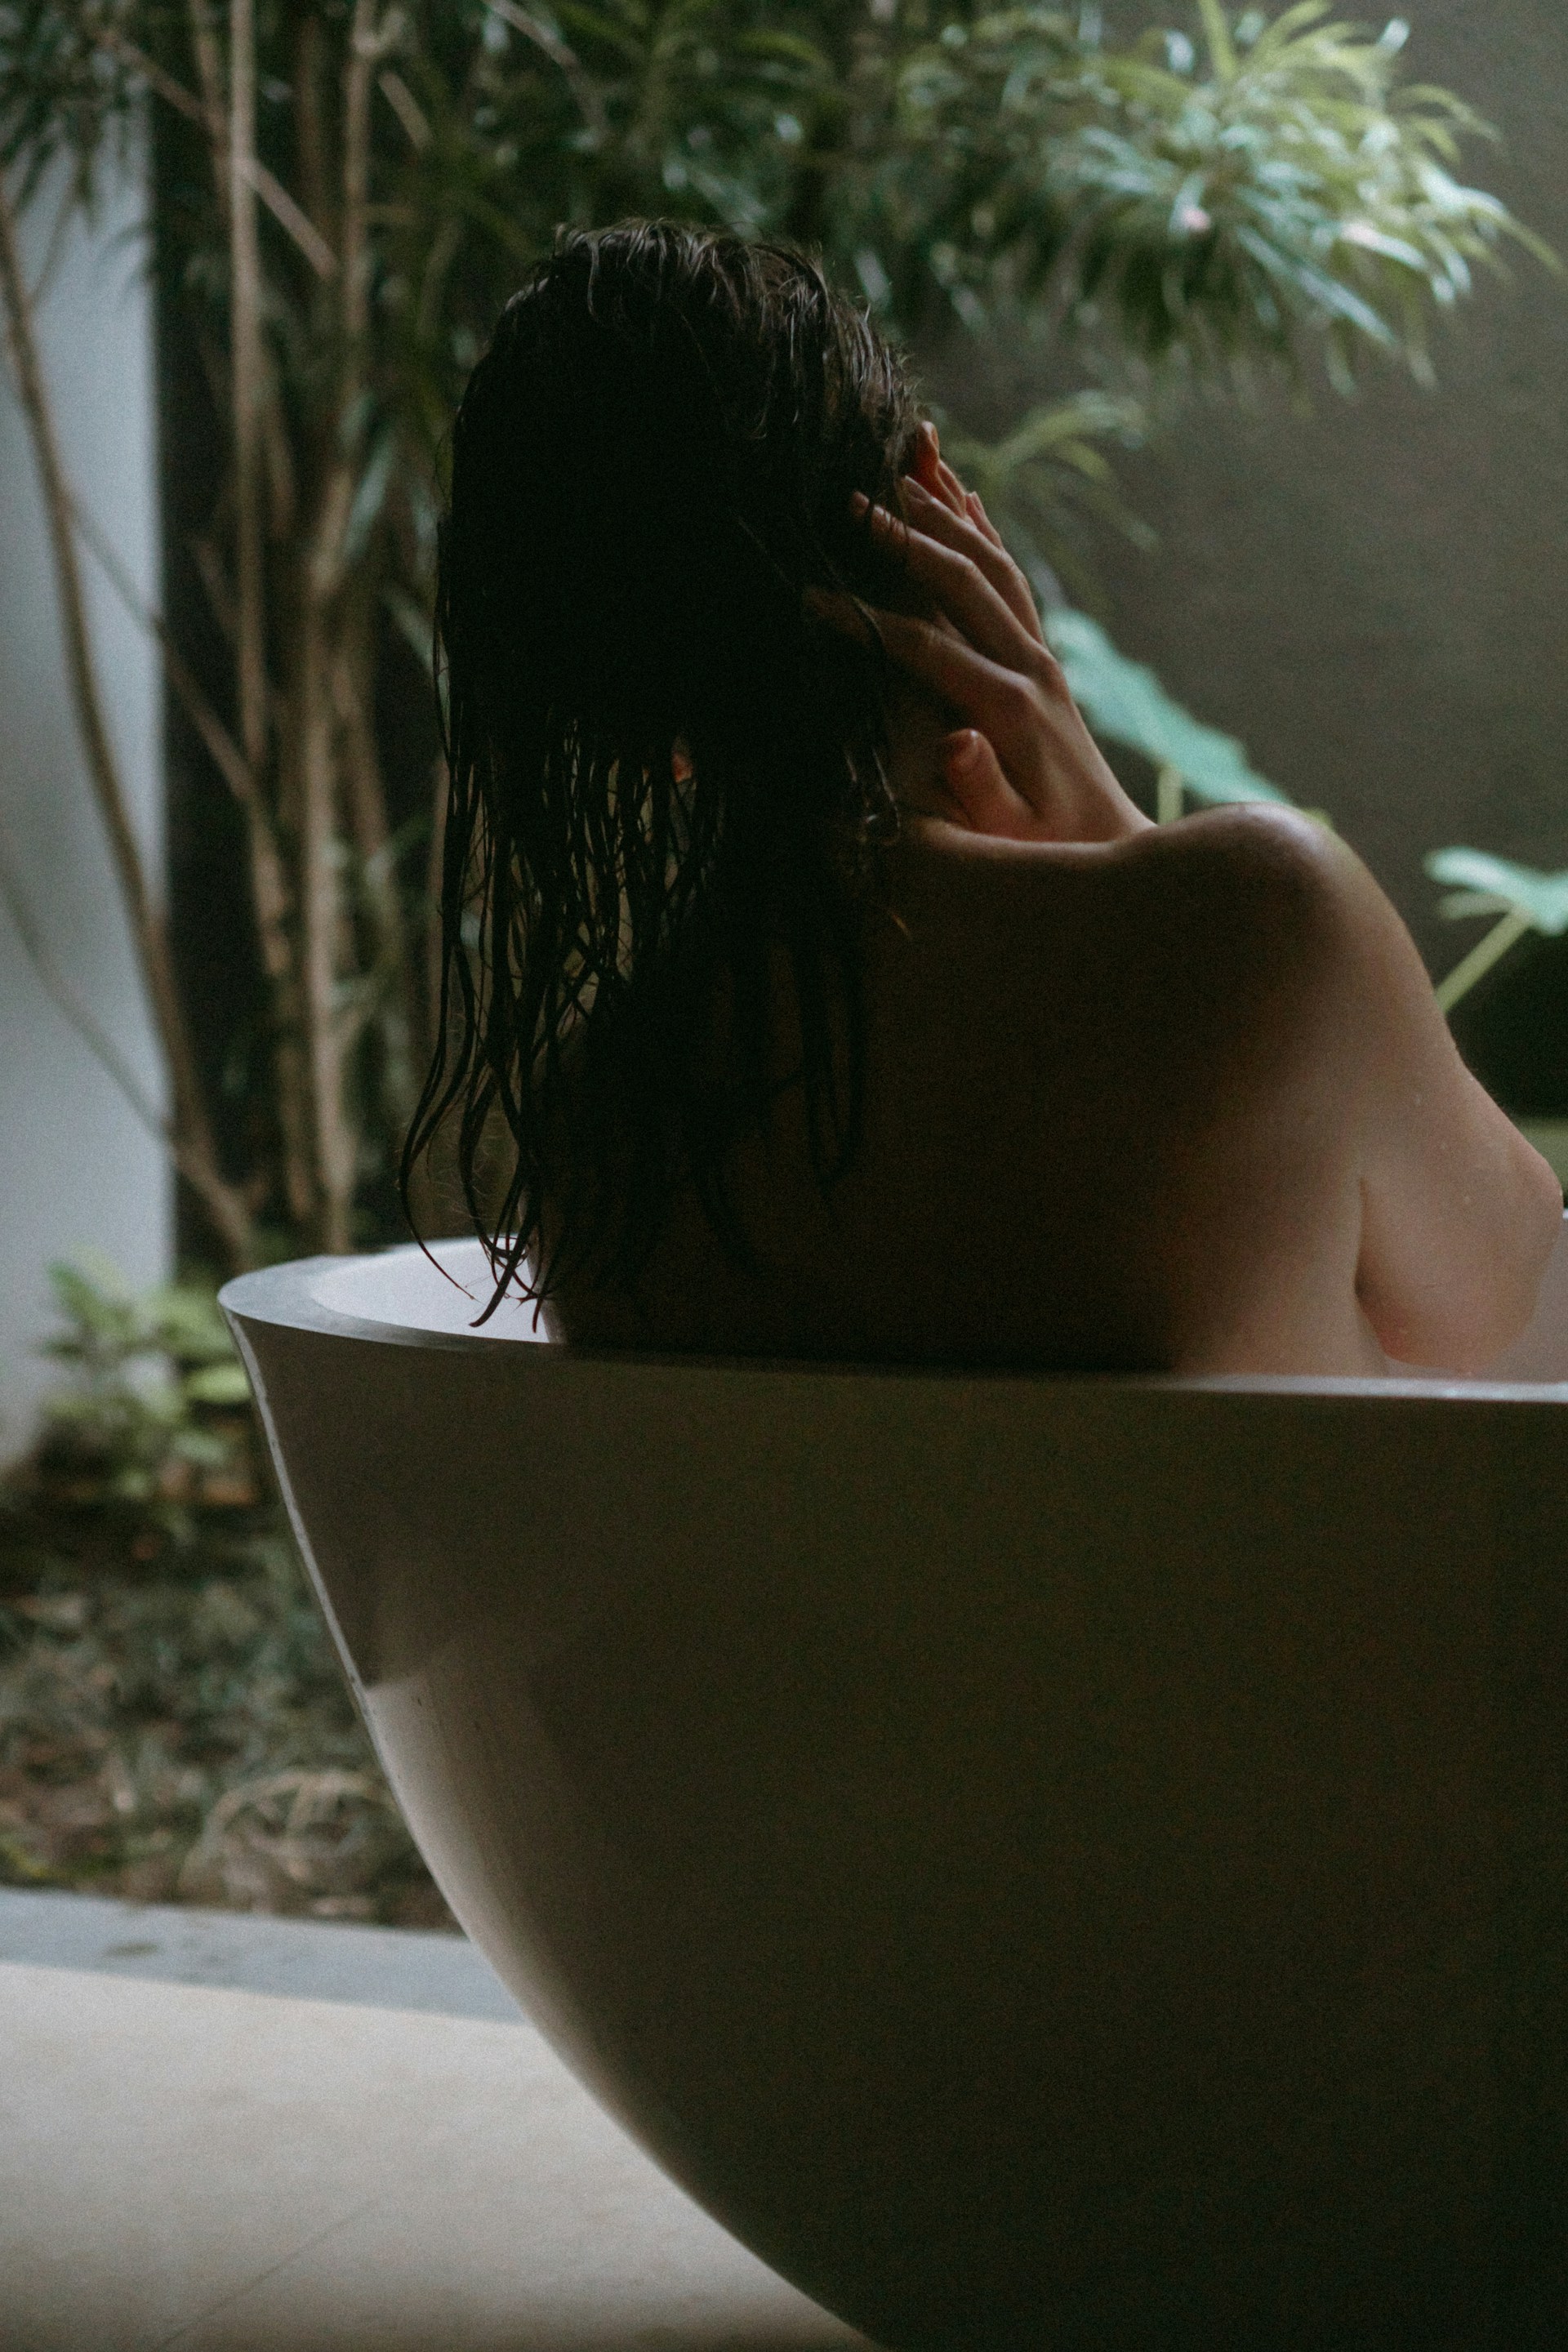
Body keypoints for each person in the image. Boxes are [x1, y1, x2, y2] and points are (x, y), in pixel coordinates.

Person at [405, 219, 1561, 1377]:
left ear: (634, 727)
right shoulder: (1261, 930)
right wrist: (1123, 843)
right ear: (938, 506)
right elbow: (1516, 1302)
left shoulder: (598, 1139)